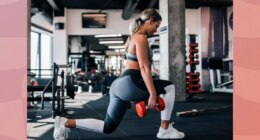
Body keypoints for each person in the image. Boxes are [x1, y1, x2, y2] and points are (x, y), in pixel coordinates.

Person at [53, 9, 185, 139]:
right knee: (169, 87)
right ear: (150, 21)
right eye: (156, 26)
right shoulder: (141, 38)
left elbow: (134, 64)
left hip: (119, 85)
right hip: (130, 82)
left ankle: (65, 123)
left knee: (108, 127)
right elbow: (144, 67)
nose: (155, 30)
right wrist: (152, 93)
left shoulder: (131, 38)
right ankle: (164, 129)